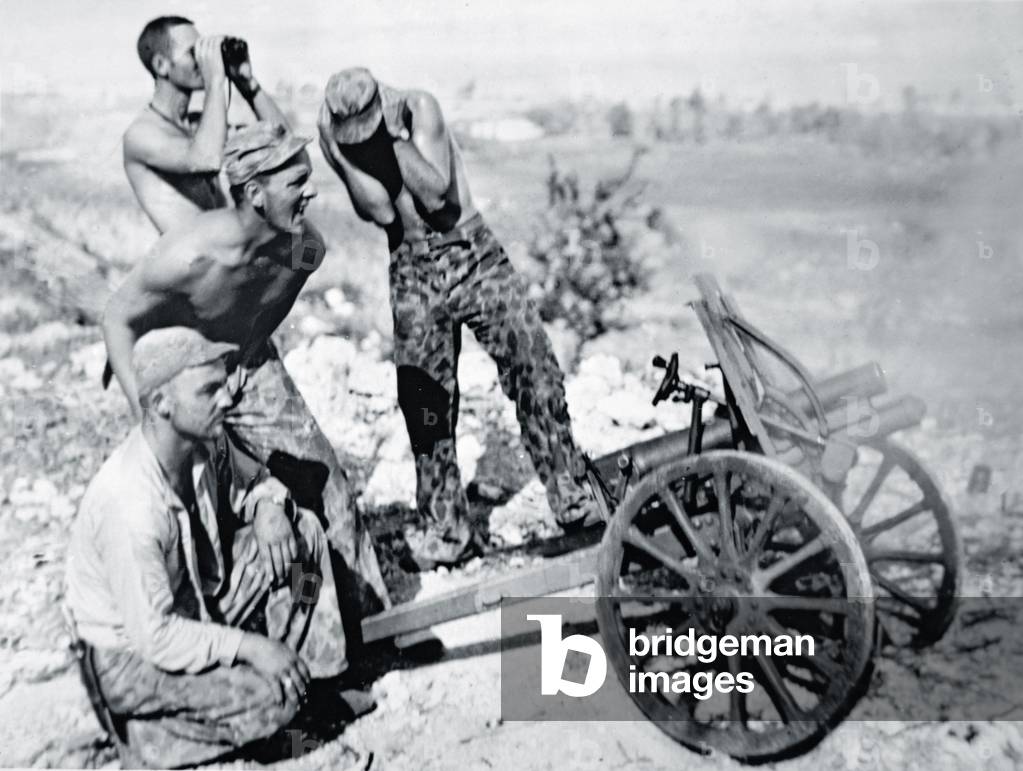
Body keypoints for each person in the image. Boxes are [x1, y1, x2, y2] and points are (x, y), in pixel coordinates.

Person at [102, 122, 390, 645]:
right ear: (254, 194)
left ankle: (371, 624)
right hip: (187, 378)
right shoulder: (190, 255)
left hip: (253, 368)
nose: (311, 192)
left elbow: (280, 291)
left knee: (325, 487)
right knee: (194, 521)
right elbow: (117, 318)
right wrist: (141, 404)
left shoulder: (304, 248)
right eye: (295, 182)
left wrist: (250, 345)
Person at [317, 68, 598, 569]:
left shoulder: (419, 109)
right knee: (425, 403)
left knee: (532, 369)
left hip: (470, 253)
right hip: (409, 267)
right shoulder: (341, 136)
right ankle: (447, 529)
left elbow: (435, 195)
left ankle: (574, 497)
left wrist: (395, 140)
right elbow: (381, 211)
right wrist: (340, 156)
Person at [64, 327, 364, 768]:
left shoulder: (204, 442)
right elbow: (156, 636)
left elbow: (257, 481)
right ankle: (152, 741)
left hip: (196, 604)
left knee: (304, 535)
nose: (226, 398)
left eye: (222, 383)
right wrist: (250, 647)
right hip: (129, 659)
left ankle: (314, 681)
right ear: (162, 404)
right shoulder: (130, 507)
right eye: (208, 390)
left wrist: (267, 507)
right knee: (272, 698)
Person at [124, 15, 291, 233]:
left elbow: (285, 143)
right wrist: (215, 80)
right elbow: (207, 159)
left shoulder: (199, 126)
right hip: (189, 262)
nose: (204, 61)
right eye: (195, 53)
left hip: (221, 257)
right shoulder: (141, 134)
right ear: (161, 65)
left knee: (304, 243)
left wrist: (247, 83)